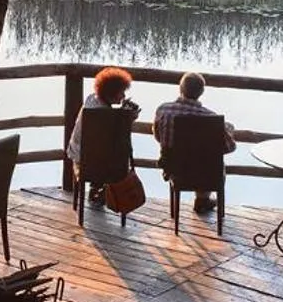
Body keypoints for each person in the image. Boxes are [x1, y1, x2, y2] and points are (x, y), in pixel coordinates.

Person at [152, 71, 237, 214]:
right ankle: (202, 200)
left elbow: (158, 136)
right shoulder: (211, 118)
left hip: (174, 167)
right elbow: (230, 147)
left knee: (195, 159)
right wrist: (228, 129)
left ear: (180, 88)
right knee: (208, 160)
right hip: (204, 172)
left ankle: (201, 201)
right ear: (202, 92)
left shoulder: (163, 110)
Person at [67, 66, 138, 206]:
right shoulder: (108, 117)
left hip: (80, 157)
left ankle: (97, 190)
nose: (123, 96)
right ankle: (105, 192)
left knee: (99, 151)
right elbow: (119, 140)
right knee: (115, 154)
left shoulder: (90, 101)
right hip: (96, 163)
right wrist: (128, 118)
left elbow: (102, 132)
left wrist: (122, 115)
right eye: (121, 92)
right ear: (111, 93)